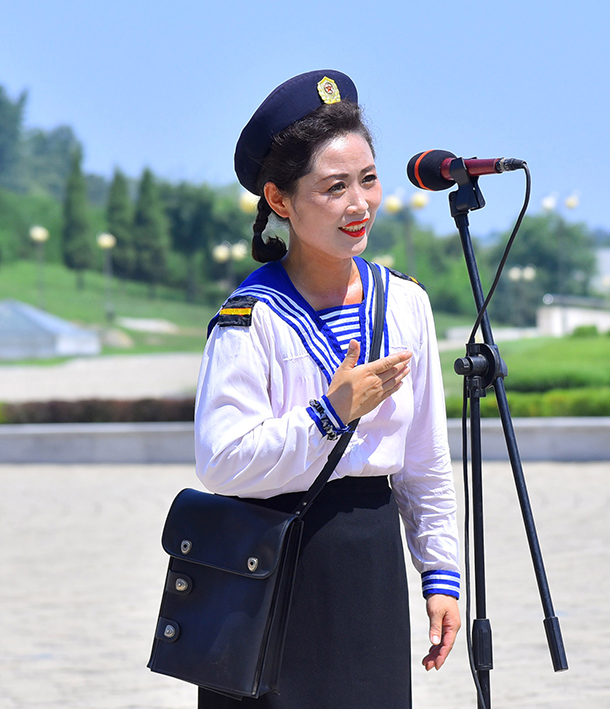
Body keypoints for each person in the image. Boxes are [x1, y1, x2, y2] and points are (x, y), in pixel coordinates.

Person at [193, 70, 461, 708]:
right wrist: (330, 413)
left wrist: (441, 573)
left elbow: (425, 458)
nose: (359, 204)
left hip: (368, 565)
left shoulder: (406, 305)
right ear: (280, 200)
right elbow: (221, 460)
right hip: (268, 572)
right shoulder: (249, 318)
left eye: (368, 179)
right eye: (334, 187)